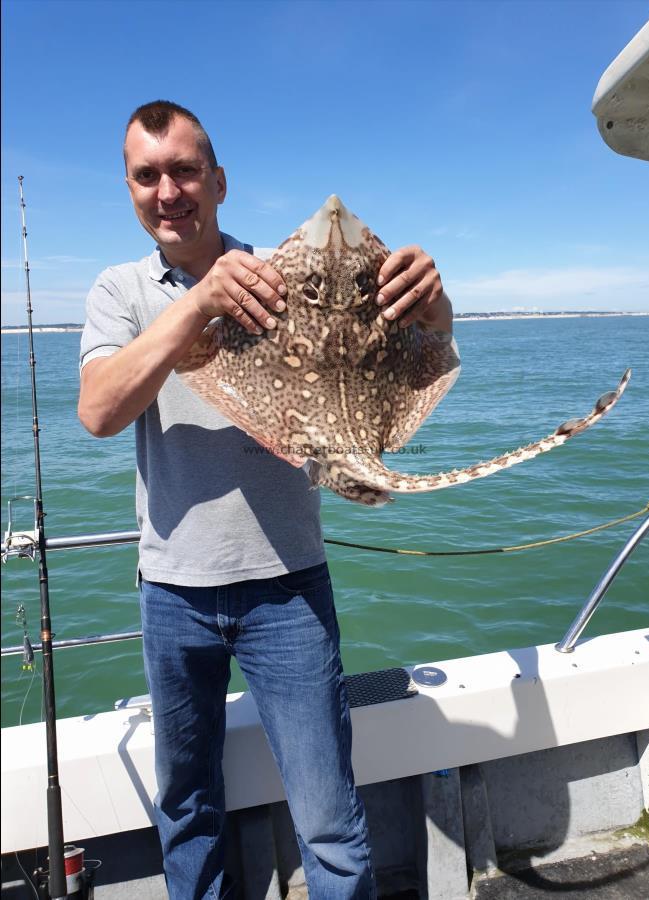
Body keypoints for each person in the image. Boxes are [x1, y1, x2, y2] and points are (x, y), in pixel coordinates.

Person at [78, 100, 453, 900]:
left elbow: (415, 360)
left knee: (327, 816)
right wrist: (200, 301)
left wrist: (433, 307)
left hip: (287, 586)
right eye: (148, 176)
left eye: (184, 171)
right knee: (186, 809)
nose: (168, 190)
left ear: (217, 181)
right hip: (173, 591)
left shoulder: (286, 277)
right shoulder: (119, 289)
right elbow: (100, 412)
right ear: (130, 188)